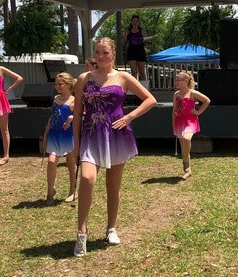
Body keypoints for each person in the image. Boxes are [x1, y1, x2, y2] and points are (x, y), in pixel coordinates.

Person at [72, 37, 157, 257]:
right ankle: (82, 232)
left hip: (117, 134)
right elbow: (77, 112)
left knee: (113, 186)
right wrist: (75, 142)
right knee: (88, 179)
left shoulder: (123, 76)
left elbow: (150, 99)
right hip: (91, 134)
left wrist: (129, 117)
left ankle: (111, 228)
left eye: (104, 53)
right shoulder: (84, 78)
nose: (100, 57)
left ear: (113, 54)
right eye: (97, 52)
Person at [43, 72, 77, 205]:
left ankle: (72, 190)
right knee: (51, 161)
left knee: (70, 162)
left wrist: (71, 118)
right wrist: (46, 131)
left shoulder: (74, 100)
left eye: (60, 84)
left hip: (67, 135)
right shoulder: (56, 98)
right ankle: (50, 191)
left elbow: (82, 114)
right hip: (54, 134)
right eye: (56, 84)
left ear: (68, 85)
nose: (57, 86)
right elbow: (52, 116)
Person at [172, 71, 210, 179]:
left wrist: (198, 112)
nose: (176, 82)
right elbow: (174, 110)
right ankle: (187, 170)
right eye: (176, 79)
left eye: (178, 80)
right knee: (183, 145)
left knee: (186, 138)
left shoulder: (192, 93)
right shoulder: (176, 94)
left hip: (190, 121)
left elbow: (207, 100)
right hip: (179, 121)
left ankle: (184, 162)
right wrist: (173, 124)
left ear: (185, 81)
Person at [123, 15, 147, 80]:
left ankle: (144, 89)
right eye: (133, 21)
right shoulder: (128, 31)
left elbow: (146, 41)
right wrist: (125, 34)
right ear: (131, 22)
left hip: (140, 51)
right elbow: (124, 42)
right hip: (131, 51)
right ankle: (134, 89)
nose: (135, 22)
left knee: (142, 72)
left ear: (138, 22)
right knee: (134, 72)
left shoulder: (142, 30)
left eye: (136, 21)